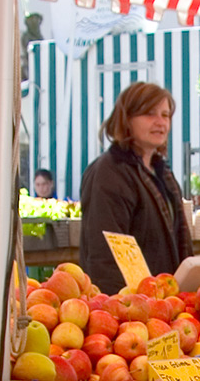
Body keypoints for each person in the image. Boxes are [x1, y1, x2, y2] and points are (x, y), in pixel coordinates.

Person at [78, 82, 191, 292]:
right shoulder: (110, 172)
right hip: (129, 305)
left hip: (164, 301)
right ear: (126, 119)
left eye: (165, 115)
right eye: (149, 114)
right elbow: (105, 254)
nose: (160, 122)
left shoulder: (162, 173)